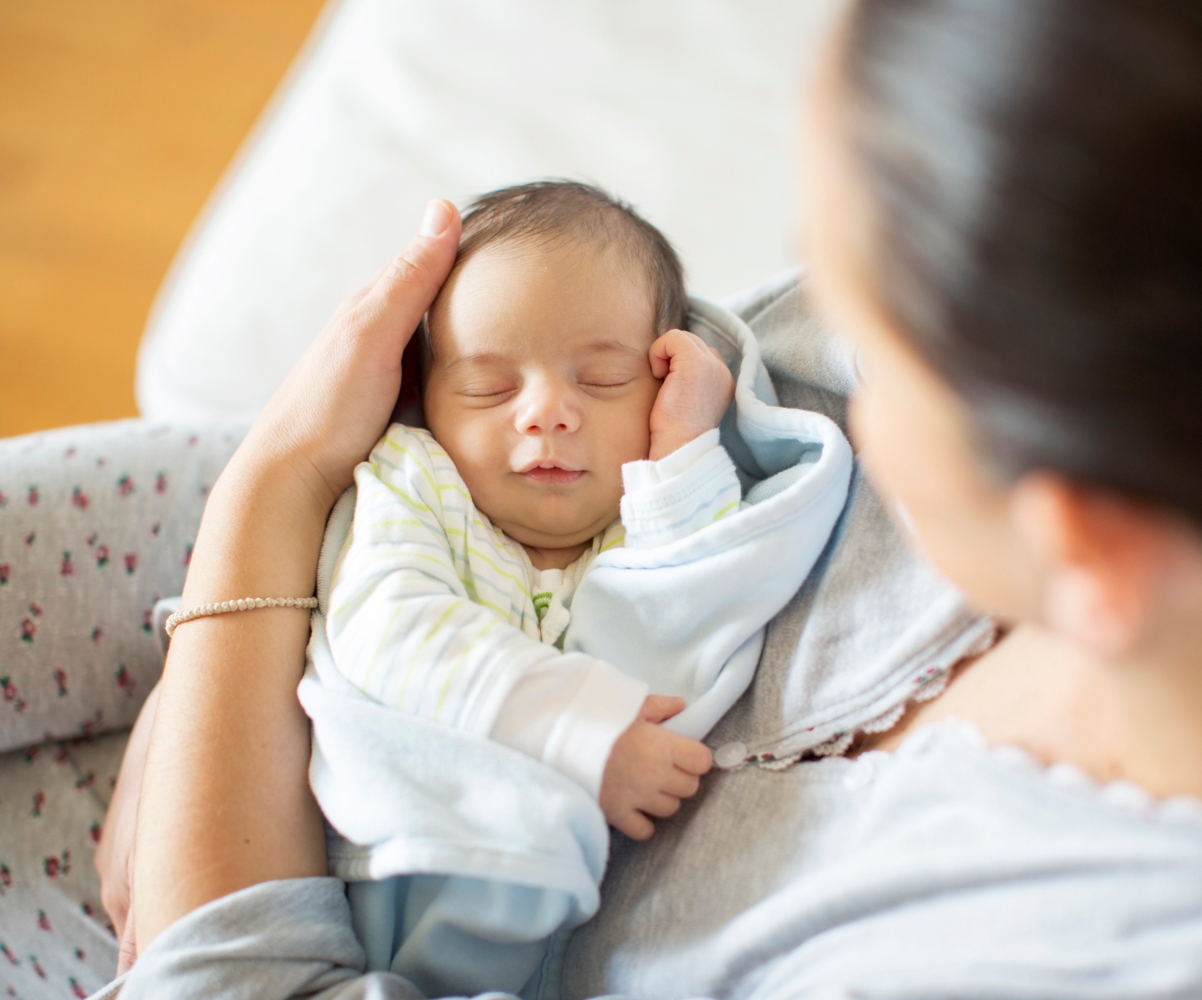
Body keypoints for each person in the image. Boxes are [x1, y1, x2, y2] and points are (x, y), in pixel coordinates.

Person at [0, 0, 1202, 994]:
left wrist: (261, 524)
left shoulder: (1091, 954)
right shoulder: (1118, 348)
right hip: (361, 592)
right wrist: (266, 562)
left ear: (1085, 547)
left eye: (874, 329)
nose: (811, 338)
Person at [300, 180, 848, 993]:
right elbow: (390, 627)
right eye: (489, 386)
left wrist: (683, 448)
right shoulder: (416, 483)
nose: (548, 414)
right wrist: (578, 731)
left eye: (601, 381)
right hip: (395, 870)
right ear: (422, 398)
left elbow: (687, 605)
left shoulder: (647, 512)